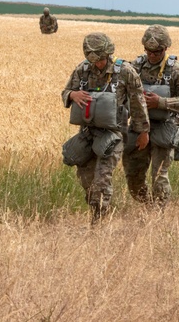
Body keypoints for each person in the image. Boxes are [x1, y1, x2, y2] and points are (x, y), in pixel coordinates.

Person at [62, 33, 149, 224]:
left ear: (108, 54)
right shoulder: (82, 69)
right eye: (94, 60)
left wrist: (143, 132)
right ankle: (97, 209)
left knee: (102, 180)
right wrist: (72, 95)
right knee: (87, 180)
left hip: (114, 135)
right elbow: (65, 92)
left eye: (101, 59)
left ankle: (99, 223)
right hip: (87, 134)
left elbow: (138, 104)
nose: (98, 64)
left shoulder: (125, 71)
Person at [123, 25, 179, 207]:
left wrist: (161, 102)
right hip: (139, 127)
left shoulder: (178, 71)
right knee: (133, 175)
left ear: (166, 49)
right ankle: (148, 205)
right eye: (149, 51)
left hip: (165, 126)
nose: (153, 55)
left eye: (157, 51)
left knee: (159, 177)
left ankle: (159, 215)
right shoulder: (134, 67)